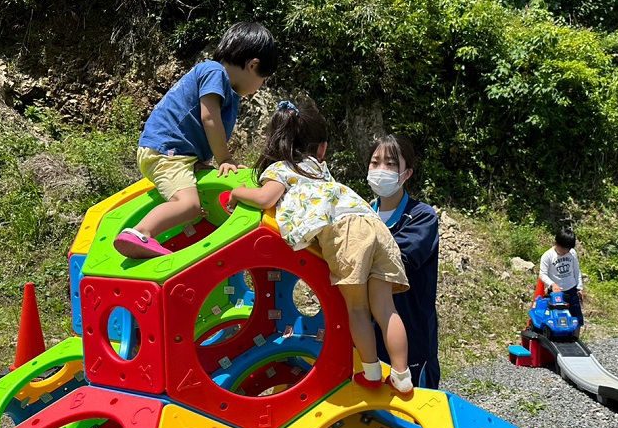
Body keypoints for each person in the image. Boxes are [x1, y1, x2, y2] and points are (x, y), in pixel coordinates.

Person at [223, 101, 414, 394]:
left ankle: (373, 373)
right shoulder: (318, 169)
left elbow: (265, 199)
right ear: (321, 149)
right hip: (373, 223)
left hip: (347, 231)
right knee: (386, 309)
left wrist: (237, 192)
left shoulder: (281, 169)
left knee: (358, 308)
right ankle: (402, 377)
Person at [114, 22, 277, 259]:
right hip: (167, 151)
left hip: (179, 153)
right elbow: (209, 117)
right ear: (254, 65)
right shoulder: (214, 72)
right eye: (264, 79)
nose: (261, 87)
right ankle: (140, 232)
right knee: (189, 205)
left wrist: (199, 161)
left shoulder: (222, 84)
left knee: (196, 200)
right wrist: (225, 158)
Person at [367, 134, 440, 390]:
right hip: (367, 340)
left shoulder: (422, 217)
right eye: (375, 163)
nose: (380, 170)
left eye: (390, 164)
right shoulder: (363, 213)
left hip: (413, 338)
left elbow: (397, 261)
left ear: (406, 173)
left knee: (414, 416)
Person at [538, 228, 584, 330]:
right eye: (563, 249)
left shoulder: (572, 253)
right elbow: (542, 274)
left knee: (576, 319)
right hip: (556, 294)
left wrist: (579, 287)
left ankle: (575, 340)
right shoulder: (548, 256)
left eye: (568, 249)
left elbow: (576, 270)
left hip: (572, 291)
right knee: (556, 321)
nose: (566, 251)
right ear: (557, 243)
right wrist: (552, 284)